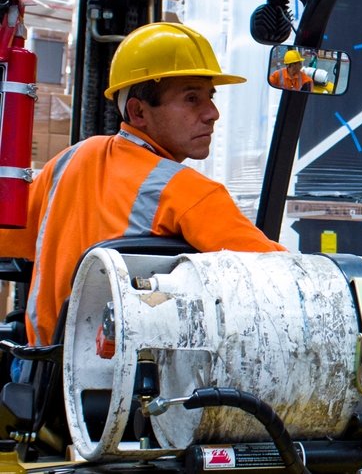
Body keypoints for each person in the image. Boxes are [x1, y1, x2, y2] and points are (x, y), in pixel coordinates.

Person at [0, 22, 286, 347]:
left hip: (42, 377)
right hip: (135, 390)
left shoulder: (70, 161)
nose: (213, 113)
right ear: (138, 112)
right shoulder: (191, 193)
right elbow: (278, 280)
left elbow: (8, 239)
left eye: (210, 97)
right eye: (192, 98)